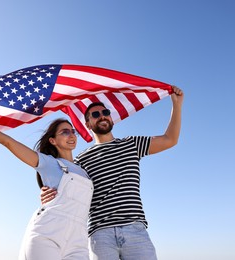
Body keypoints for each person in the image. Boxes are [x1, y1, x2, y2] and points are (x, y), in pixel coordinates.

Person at [41, 86, 184, 260]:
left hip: (135, 231)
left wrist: (177, 105)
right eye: (95, 114)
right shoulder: (80, 160)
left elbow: (170, 140)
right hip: (100, 235)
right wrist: (47, 194)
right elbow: (67, 189)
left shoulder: (132, 144)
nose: (102, 116)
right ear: (88, 124)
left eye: (105, 112)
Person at [0, 94, 93, 260]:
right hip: (47, 234)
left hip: (78, 241)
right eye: (65, 132)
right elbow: (8, 142)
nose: (71, 135)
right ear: (53, 140)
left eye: (73, 132)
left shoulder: (84, 171)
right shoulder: (47, 163)